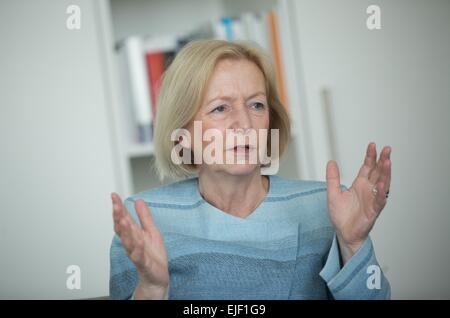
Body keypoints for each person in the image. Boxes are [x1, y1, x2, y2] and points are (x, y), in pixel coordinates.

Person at [109, 39, 392, 300]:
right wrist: (153, 288)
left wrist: (353, 244)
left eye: (256, 104)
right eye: (220, 108)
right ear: (183, 133)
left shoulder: (327, 207)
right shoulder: (144, 220)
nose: (244, 123)